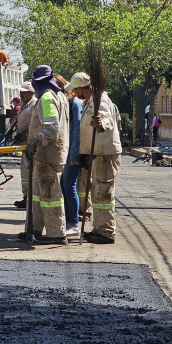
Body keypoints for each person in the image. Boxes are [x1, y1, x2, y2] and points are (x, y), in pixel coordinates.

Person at [66, 72, 122, 244]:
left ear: (82, 89)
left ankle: (106, 232)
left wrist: (102, 123)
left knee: (103, 194)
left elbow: (107, 121)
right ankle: (99, 228)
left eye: (75, 90)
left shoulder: (100, 100)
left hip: (105, 154)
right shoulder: (89, 101)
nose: (74, 93)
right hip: (97, 153)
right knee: (97, 193)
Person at [18, 65, 69, 245]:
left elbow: (51, 127)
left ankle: (56, 234)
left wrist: (34, 142)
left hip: (48, 155)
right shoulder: (60, 96)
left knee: (50, 196)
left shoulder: (47, 98)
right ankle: (34, 229)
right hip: (47, 155)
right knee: (38, 195)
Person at [60, 83, 83, 237]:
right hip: (66, 151)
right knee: (64, 185)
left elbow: (77, 132)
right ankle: (68, 221)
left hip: (72, 153)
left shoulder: (74, 104)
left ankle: (73, 223)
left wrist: (74, 155)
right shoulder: (66, 104)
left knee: (70, 185)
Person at [13, 82, 37, 208]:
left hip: (31, 144)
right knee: (24, 171)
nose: (21, 95)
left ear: (31, 93)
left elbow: (35, 124)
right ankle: (26, 196)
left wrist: (24, 134)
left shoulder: (35, 105)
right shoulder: (24, 105)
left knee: (31, 170)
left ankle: (32, 197)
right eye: (20, 92)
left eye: (24, 93)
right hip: (23, 144)